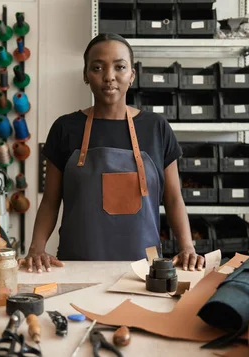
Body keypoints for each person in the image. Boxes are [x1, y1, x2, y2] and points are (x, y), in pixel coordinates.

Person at [19, 33, 205, 273]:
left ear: (132, 74)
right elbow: (51, 200)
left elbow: (173, 198)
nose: (109, 77)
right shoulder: (65, 128)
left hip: (144, 268)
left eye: (120, 67)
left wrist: (187, 247)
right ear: (86, 75)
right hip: (77, 265)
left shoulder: (156, 128)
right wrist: (36, 248)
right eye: (97, 67)